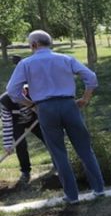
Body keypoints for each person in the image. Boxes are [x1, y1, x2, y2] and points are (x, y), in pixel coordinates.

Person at [6, 30, 105, 204]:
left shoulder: (26, 64)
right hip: (69, 105)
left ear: (34, 45)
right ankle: (99, 189)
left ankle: (72, 197)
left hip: (45, 108)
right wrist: (85, 98)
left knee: (58, 153)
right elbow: (91, 77)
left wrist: (32, 105)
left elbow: (13, 91)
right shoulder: (65, 59)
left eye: (30, 45)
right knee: (85, 149)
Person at [1, 56, 49, 184]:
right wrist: (7, 145)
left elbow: (43, 107)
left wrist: (37, 111)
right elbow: (6, 124)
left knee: (48, 138)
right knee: (20, 146)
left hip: (35, 119)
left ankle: (58, 163)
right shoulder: (4, 102)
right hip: (17, 123)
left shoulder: (34, 92)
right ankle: (25, 171)